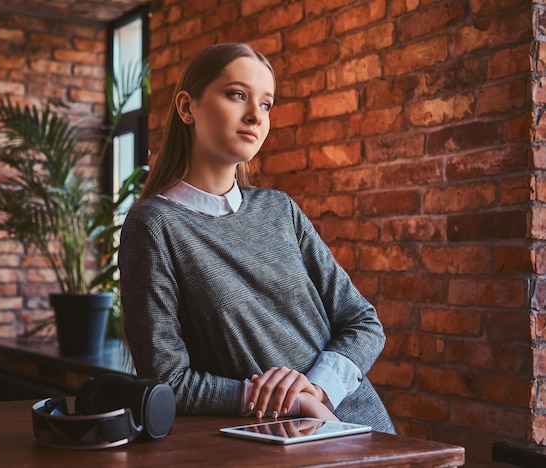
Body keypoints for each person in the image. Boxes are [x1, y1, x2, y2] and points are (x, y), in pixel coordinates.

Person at [119, 42, 395, 433]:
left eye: (266, 104)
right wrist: (286, 400)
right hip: (276, 442)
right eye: (237, 95)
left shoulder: (280, 210)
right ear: (187, 107)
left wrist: (317, 390)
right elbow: (169, 381)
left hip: (364, 426)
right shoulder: (154, 225)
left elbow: (363, 321)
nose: (255, 116)